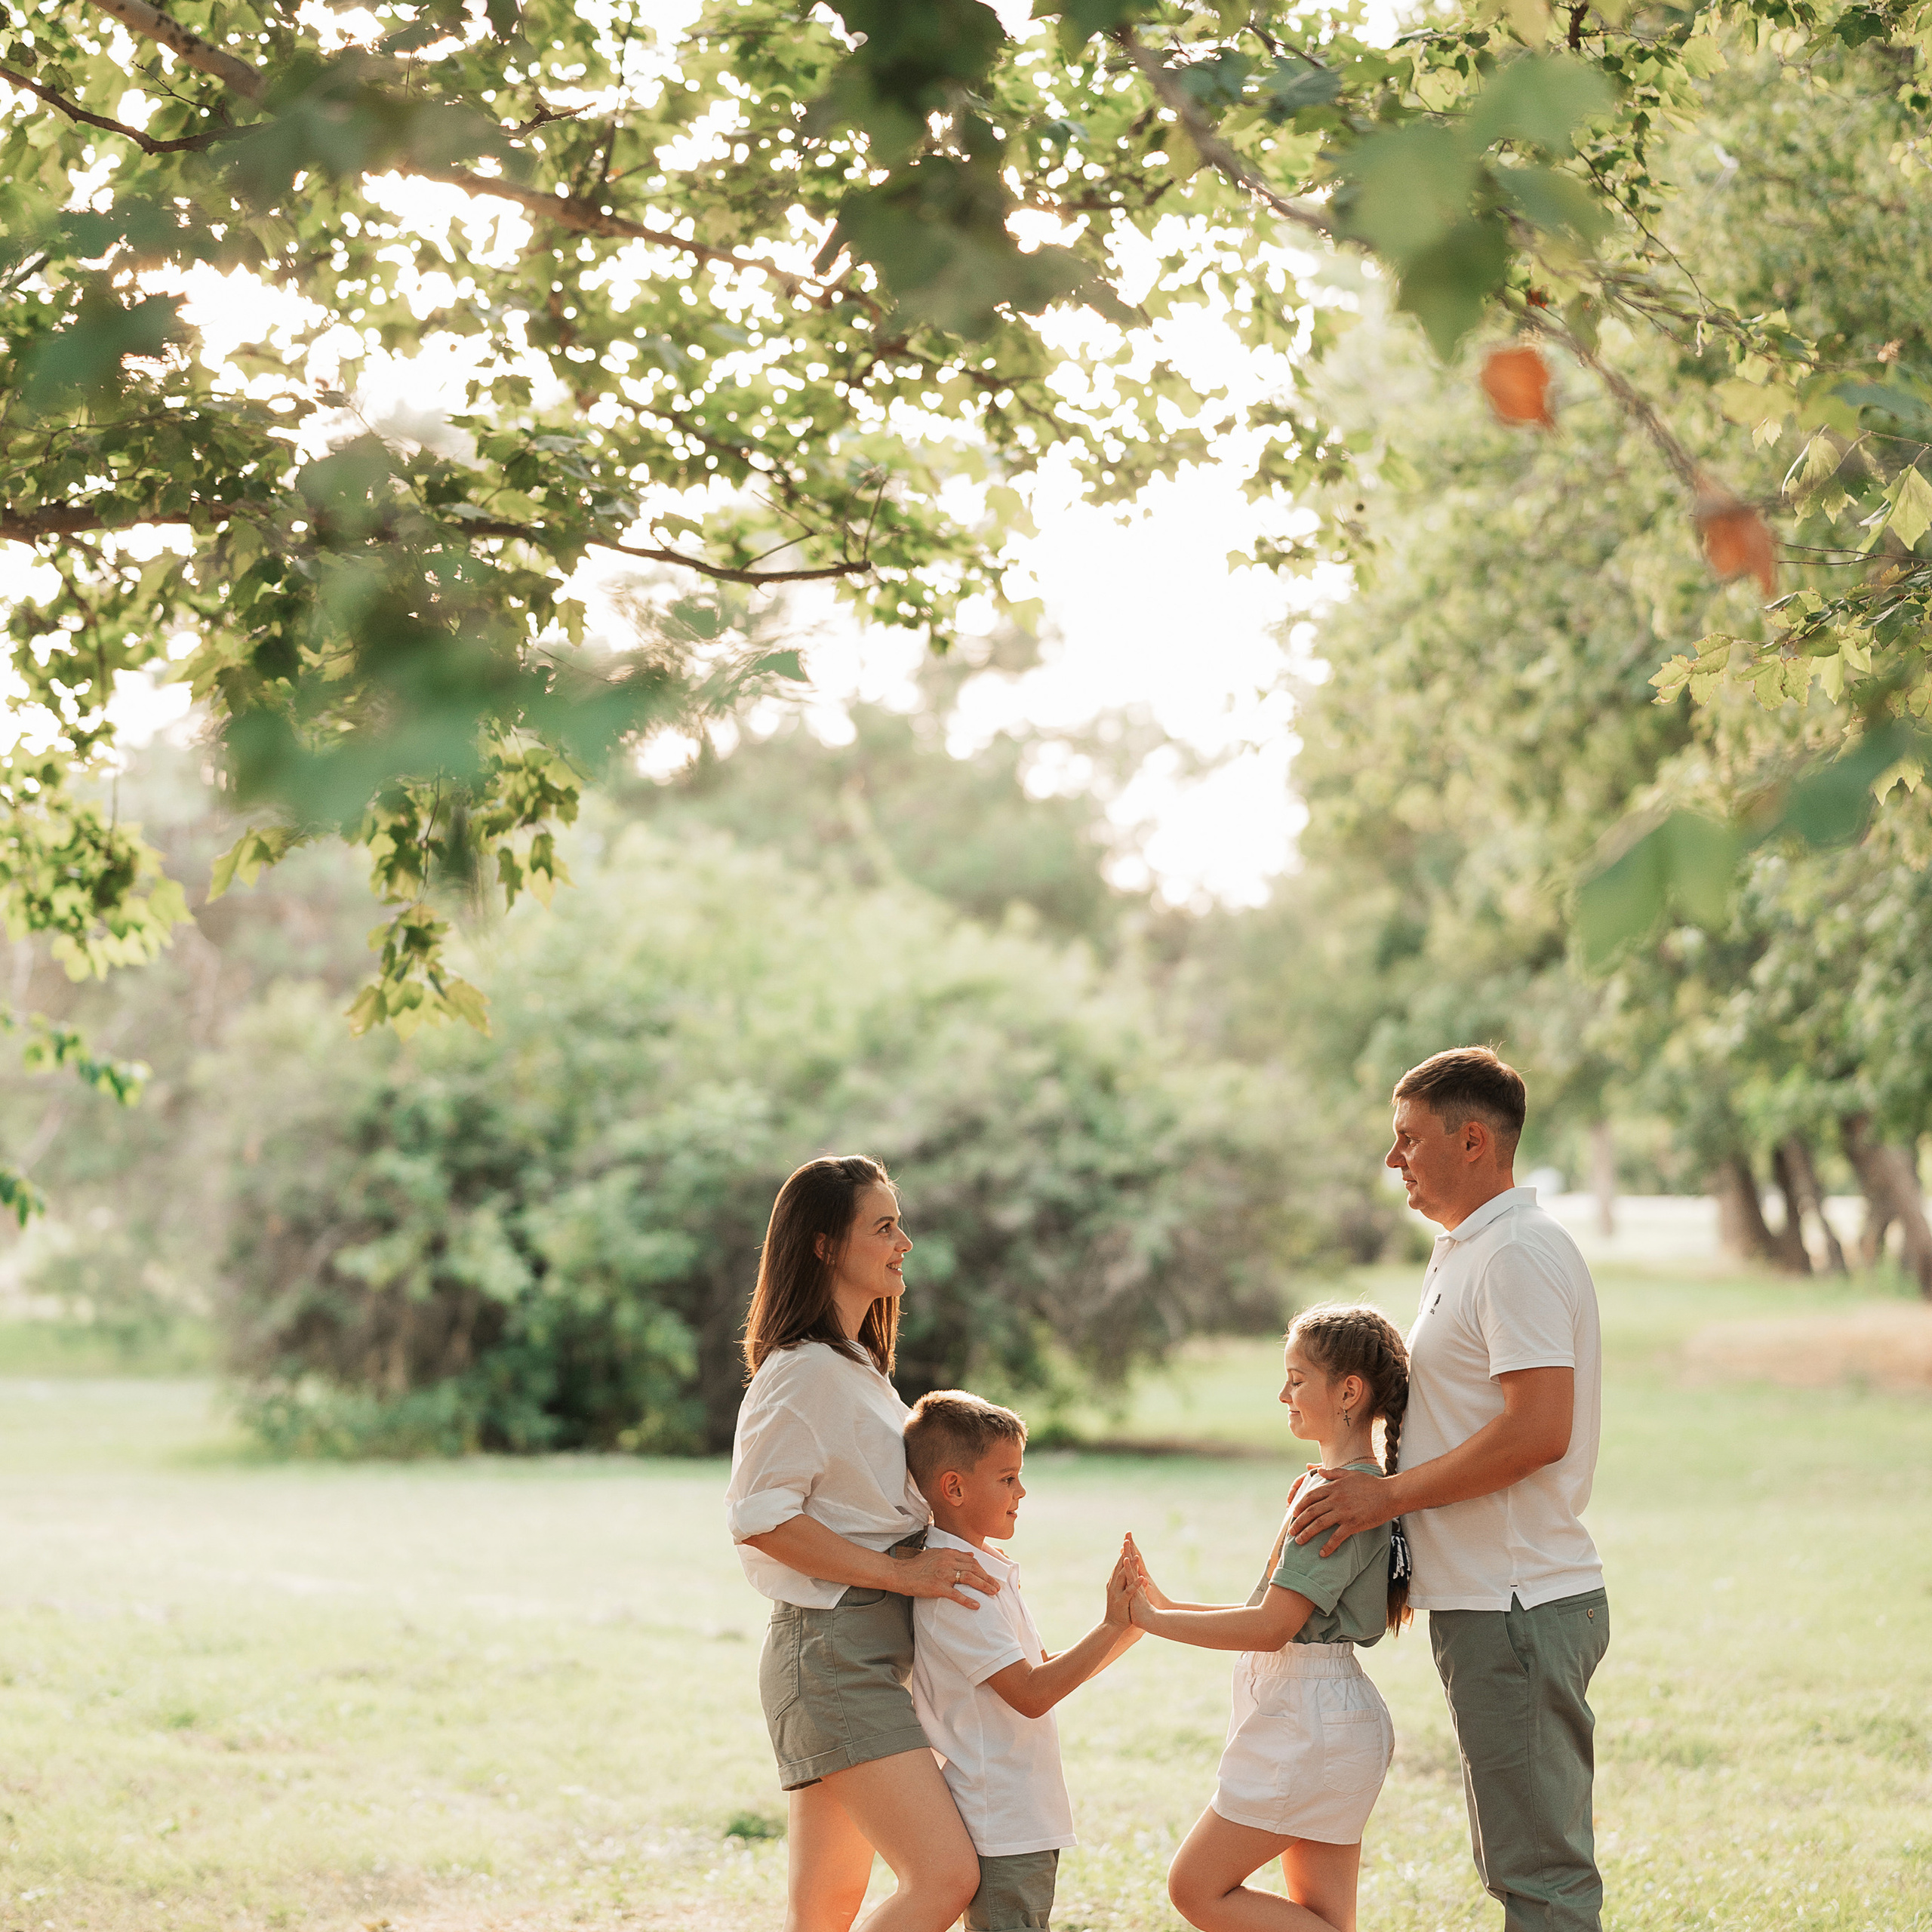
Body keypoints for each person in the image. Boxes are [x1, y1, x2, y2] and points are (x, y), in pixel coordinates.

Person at [1287, 1047, 1610, 1932]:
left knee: (1541, 1877)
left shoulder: (1515, 1255)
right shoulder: (1471, 1250)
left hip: (1517, 1602)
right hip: (1490, 1603)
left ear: (1472, 1142)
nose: (1393, 1158)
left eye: (1409, 1138)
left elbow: (1537, 1430)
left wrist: (1383, 1499)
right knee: (1518, 1864)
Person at [725, 1155, 994, 1932]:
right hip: (833, 1658)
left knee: (823, 1913)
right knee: (944, 1876)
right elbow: (760, 1518)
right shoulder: (802, 1371)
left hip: (858, 1655)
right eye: (883, 1227)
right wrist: (901, 1575)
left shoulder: (853, 1367)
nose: (903, 1243)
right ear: (823, 1246)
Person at [1121, 1303, 1411, 1932]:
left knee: (1195, 1887)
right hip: (1326, 1715)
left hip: (1309, 1723)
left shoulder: (1337, 1501)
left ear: (1349, 1393)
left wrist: (1149, 1620)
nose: (1283, 1395)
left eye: (1297, 1379)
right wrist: (1164, 1603)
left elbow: (1270, 1629)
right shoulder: (1344, 1487)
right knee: (1323, 1919)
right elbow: (1272, 1617)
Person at [902, 1390, 1142, 1932]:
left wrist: (1128, 1625)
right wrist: (1111, 1625)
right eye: (1008, 1478)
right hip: (1000, 1819)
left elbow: (1040, 1671)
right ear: (954, 1488)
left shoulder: (983, 1568)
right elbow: (1032, 1694)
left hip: (1024, 1812)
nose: (1022, 1491)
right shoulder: (960, 1589)